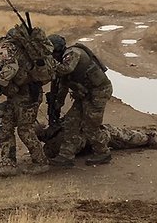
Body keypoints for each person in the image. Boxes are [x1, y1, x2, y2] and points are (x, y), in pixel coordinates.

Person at [0, 22, 51, 177]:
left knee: (24, 129)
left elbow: (10, 68)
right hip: (16, 95)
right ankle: (8, 164)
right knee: (4, 125)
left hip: (28, 95)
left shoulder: (3, 48)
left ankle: (41, 162)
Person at [47, 34, 113, 167]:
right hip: (86, 94)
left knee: (90, 126)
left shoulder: (73, 53)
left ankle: (102, 152)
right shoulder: (62, 58)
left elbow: (67, 69)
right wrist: (57, 104)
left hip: (98, 92)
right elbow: (63, 86)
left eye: (51, 53)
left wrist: (49, 61)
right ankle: (66, 156)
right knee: (71, 122)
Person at [37, 123, 157, 159]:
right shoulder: (62, 131)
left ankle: (145, 138)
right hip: (95, 138)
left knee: (119, 138)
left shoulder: (48, 150)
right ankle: (148, 138)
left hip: (87, 146)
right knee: (120, 135)